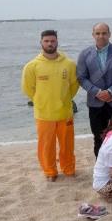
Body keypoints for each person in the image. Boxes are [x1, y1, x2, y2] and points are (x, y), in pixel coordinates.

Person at [21, 29, 79, 181]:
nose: (50, 44)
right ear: (41, 43)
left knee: (67, 145)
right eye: (46, 41)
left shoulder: (69, 64)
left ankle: (68, 169)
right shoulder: (32, 66)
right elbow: (28, 88)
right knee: (46, 146)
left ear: (57, 42)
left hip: (65, 113)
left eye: (52, 41)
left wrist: (64, 99)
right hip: (44, 114)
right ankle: (50, 171)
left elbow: (74, 85)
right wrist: (40, 101)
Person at [77, 22, 112, 157]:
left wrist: (111, 91)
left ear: (109, 34)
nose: (101, 36)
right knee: (98, 137)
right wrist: (97, 92)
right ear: (93, 35)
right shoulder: (84, 54)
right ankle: (101, 168)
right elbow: (81, 78)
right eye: (98, 33)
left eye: (104, 33)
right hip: (95, 102)